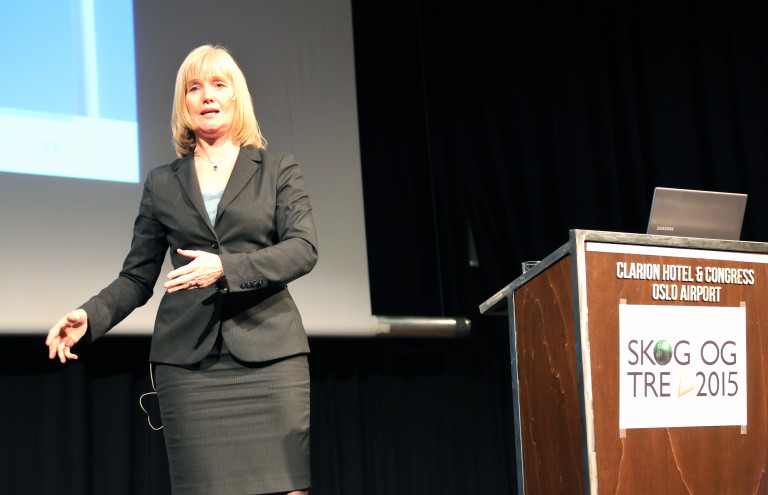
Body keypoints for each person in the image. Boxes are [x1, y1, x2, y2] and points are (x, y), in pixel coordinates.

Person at [45, 44, 318, 495]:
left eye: (217, 85)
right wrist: (89, 315)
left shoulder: (276, 169)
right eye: (194, 88)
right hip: (188, 366)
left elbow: (303, 249)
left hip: (271, 358)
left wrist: (225, 269)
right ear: (184, 104)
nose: (206, 96)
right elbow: (137, 276)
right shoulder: (162, 183)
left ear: (236, 97)